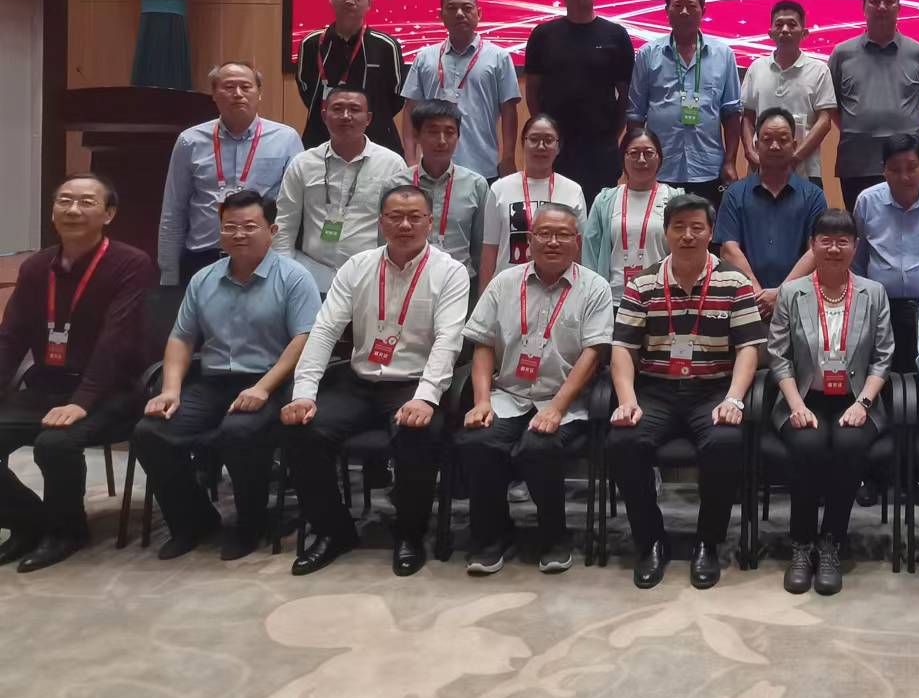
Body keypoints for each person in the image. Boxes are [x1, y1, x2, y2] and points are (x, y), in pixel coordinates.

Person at [282, 185, 470, 577]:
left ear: (430, 222)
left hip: (414, 384)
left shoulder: (449, 272)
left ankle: (410, 535)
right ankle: (335, 532)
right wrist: (304, 393)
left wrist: (426, 397)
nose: (405, 225)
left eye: (415, 217)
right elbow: (324, 330)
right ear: (381, 222)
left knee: (417, 434)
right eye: (395, 217)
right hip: (359, 382)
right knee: (302, 431)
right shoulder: (357, 266)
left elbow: (448, 340)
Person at [132, 190, 321, 560]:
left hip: (271, 382)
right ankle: (193, 521)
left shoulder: (295, 278)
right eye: (230, 227)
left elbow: (305, 339)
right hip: (213, 381)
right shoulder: (204, 279)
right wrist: (170, 389)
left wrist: (263, 388)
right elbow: (181, 338)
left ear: (272, 231)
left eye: (249, 226)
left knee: (240, 432)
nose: (239, 235)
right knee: (150, 433)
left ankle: (251, 524)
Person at [607, 194, 764, 589]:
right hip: (656, 390)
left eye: (697, 227)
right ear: (666, 232)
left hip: (713, 389)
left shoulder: (735, 282)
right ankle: (651, 541)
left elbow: (749, 348)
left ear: (710, 233)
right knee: (624, 441)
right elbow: (623, 348)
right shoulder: (642, 283)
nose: (688, 235)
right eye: (679, 227)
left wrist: (734, 398)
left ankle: (707, 543)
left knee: (725, 441)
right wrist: (627, 400)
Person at [0, 175, 155, 572]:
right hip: (47, 385)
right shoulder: (36, 267)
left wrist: (82, 401)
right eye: (64, 201)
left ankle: (66, 532)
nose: (73, 210)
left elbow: (115, 341)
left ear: (109, 214)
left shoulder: (130, 264)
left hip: (112, 390)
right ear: (52, 212)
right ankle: (27, 521)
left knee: (55, 444)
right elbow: (11, 337)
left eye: (86, 202)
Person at [459, 204, 613, 575]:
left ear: (577, 242)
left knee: (539, 447)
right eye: (544, 234)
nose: (553, 242)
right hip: (508, 394)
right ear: (530, 240)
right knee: (479, 441)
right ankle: (492, 535)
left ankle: (554, 535)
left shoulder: (595, 287)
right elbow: (483, 344)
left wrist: (557, 408)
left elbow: (593, 354)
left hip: (566, 400)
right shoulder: (504, 283)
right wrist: (481, 401)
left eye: (563, 235)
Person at [768, 209, 894, 595]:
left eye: (843, 241)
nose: (834, 249)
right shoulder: (792, 293)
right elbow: (778, 356)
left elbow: (883, 357)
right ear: (813, 245)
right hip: (804, 397)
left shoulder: (873, 293)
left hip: (856, 399)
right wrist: (795, 405)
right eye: (826, 241)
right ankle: (802, 544)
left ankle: (831, 543)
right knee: (807, 445)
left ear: (855, 247)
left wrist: (864, 404)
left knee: (849, 445)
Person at [158, 61, 303, 287]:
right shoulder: (189, 141)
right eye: (228, 87)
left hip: (263, 259)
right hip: (203, 258)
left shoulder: (286, 139)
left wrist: (288, 265)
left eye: (246, 87)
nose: (237, 94)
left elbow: (294, 210)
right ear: (214, 94)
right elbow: (174, 211)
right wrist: (168, 274)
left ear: (259, 93)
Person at [273, 86, 410, 293]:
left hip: (370, 278)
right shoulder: (303, 163)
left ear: (368, 118)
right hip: (311, 278)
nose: (346, 116)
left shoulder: (392, 164)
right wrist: (284, 276)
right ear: (324, 116)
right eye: (337, 109)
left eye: (354, 109)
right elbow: (285, 224)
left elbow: (399, 224)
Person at [523, 0, 636, 202]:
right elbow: (532, 91)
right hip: (555, 147)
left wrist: (613, 134)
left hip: (600, 146)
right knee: (555, 212)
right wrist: (546, 131)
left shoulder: (616, 35)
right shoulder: (543, 35)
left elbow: (626, 94)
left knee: (599, 211)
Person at [852, 134, 919, 375]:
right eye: (895, 169)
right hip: (880, 308)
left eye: (912, 168)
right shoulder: (867, 201)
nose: (904, 177)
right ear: (884, 170)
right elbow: (858, 260)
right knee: (881, 375)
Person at [828, 0, 919, 209]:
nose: (881, 7)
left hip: (905, 162)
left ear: (899, 7)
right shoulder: (841, 54)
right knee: (860, 226)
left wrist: (902, 127)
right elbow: (832, 105)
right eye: (874, 1)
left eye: (889, 1)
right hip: (856, 161)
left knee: (907, 223)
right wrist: (858, 126)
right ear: (864, 7)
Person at [628, 0, 742, 206]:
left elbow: (731, 113)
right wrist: (634, 161)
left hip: (708, 166)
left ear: (703, 11)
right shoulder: (648, 54)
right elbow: (635, 114)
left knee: (704, 225)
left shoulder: (723, 55)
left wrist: (730, 161)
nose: (684, 12)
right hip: (660, 166)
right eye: (677, 5)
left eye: (691, 6)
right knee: (659, 226)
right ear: (666, 11)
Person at [401, 0, 520, 181]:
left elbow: (509, 111)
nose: (459, 14)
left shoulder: (499, 57)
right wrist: (411, 158)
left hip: (482, 166)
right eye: (451, 8)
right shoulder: (424, 58)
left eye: (467, 8)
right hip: (430, 168)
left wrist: (508, 157)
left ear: (479, 14)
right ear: (441, 15)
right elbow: (410, 109)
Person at [714, 109, 827, 316]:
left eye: (783, 140)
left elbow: (816, 251)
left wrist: (781, 295)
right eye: (767, 140)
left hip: (799, 305)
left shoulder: (813, 196)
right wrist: (758, 295)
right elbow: (729, 249)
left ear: (794, 145)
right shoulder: (735, 194)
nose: (775, 146)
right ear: (756, 146)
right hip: (746, 304)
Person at [294, 0, 406, 152]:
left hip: (378, 142)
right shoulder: (311, 43)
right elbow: (307, 91)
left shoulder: (386, 45)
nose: (350, 0)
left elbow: (396, 98)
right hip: (321, 140)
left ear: (369, 3)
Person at [480, 114, 587, 292]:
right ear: (523, 143)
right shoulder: (500, 189)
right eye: (534, 139)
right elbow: (490, 249)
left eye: (548, 140)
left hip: (558, 287)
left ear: (558, 147)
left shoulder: (573, 190)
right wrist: (483, 296)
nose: (541, 146)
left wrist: (576, 292)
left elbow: (579, 249)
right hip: (509, 290)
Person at [740, 0, 836, 185]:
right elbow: (748, 117)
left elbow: (824, 121)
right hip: (760, 168)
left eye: (792, 24)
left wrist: (795, 158)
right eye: (779, 25)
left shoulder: (819, 70)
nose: (785, 29)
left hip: (805, 170)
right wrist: (750, 153)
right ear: (770, 33)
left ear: (804, 33)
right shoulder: (756, 68)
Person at [582, 126, 679, 296]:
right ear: (623, 158)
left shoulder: (675, 199)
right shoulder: (604, 201)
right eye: (634, 153)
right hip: (613, 299)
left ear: (659, 158)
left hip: (661, 300)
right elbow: (590, 254)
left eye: (648, 153)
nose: (641, 160)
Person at [406, 100, 490, 288]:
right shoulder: (397, 184)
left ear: (458, 137)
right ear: (417, 135)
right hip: (408, 280)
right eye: (433, 132)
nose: (442, 140)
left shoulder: (476, 185)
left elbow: (481, 248)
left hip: (459, 283)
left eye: (450, 132)